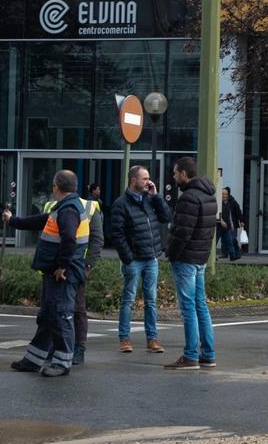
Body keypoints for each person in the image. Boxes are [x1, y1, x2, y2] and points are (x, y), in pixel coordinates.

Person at [3, 168, 87, 377]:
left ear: (56, 187)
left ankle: (62, 363)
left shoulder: (69, 210)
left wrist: (62, 267)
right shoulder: (66, 206)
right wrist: (13, 220)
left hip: (62, 275)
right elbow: (41, 220)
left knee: (61, 316)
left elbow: (69, 240)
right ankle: (34, 359)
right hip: (56, 272)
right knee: (49, 317)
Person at [106, 164, 168, 354]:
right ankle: (124, 339)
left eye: (148, 178)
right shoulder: (121, 204)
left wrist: (156, 196)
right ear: (134, 181)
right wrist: (128, 258)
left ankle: (152, 339)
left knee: (151, 300)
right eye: (144, 178)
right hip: (134, 260)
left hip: (151, 257)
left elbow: (166, 217)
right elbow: (116, 233)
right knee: (128, 300)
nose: (148, 181)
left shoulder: (150, 200)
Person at [164, 155, 217, 370]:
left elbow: (182, 232)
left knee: (188, 308)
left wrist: (171, 253)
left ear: (184, 174)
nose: (174, 177)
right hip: (200, 257)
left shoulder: (188, 198)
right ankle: (208, 353)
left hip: (185, 258)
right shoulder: (209, 196)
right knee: (200, 306)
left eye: (176, 173)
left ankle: (190, 355)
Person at [69, 184, 103, 365]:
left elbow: (97, 239)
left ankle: (78, 348)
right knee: (52, 309)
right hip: (55, 268)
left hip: (77, 268)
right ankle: (54, 346)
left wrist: (87, 266)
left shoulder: (90, 208)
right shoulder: (52, 206)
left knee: (77, 309)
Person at [217, 185, 247, 263]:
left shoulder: (232, 202)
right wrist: (222, 221)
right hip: (221, 225)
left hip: (229, 225)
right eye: (222, 194)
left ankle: (234, 255)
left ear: (228, 195)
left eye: (225, 194)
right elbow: (217, 213)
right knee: (221, 241)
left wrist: (241, 221)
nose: (223, 195)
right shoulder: (219, 202)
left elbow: (238, 212)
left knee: (231, 240)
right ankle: (226, 254)